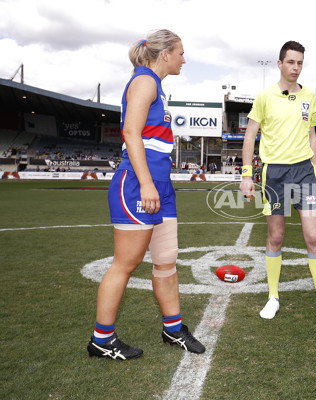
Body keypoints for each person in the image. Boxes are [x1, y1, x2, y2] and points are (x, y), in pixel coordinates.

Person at [87, 30, 205, 360]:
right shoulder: (144, 81)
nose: (184, 58)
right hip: (139, 185)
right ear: (164, 53)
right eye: (181, 52)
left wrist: (157, 184)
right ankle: (101, 339)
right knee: (125, 263)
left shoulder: (156, 84)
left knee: (166, 259)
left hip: (160, 187)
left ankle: (173, 329)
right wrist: (147, 183)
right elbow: (130, 133)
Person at [240, 41, 316, 327]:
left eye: (300, 63)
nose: (296, 68)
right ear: (280, 64)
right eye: (291, 62)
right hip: (274, 174)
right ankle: (273, 296)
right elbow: (250, 136)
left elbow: (312, 135)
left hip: (304, 174)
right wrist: (247, 175)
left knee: (313, 237)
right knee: (275, 237)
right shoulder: (264, 96)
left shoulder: (309, 95)